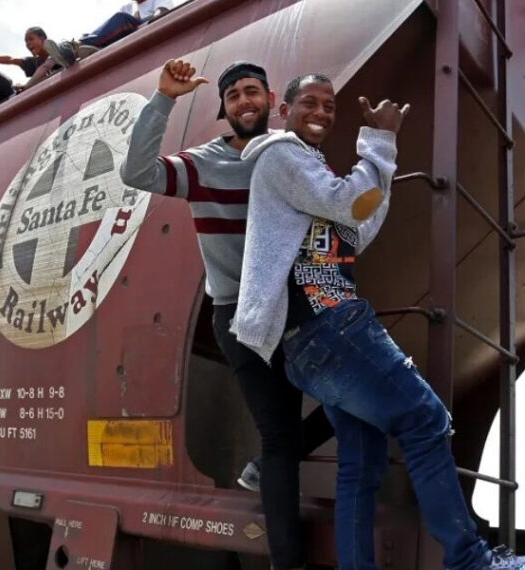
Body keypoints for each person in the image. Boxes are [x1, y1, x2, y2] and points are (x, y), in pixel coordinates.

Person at [233, 73, 525, 570]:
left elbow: (360, 224)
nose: (322, 112)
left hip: (315, 337)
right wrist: (380, 141)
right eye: (310, 102)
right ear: (284, 110)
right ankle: (470, 562)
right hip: (330, 323)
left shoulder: (313, 170)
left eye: (329, 105)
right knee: (425, 419)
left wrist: (379, 161)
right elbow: (351, 201)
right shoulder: (280, 155)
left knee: (361, 463)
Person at [120, 60, 333, 570]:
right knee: (279, 436)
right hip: (239, 315)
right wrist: (164, 99)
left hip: (298, 304)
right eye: (234, 95)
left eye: (252, 91)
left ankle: (263, 466)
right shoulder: (202, 164)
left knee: (359, 401)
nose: (244, 101)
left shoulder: (289, 151)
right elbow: (136, 173)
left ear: (269, 98)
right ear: (225, 108)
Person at [0, 28, 87, 93]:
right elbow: (11, 60)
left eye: (31, 39)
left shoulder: (54, 47)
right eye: (26, 41)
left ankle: (74, 52)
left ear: (42, 38)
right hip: (62, 79)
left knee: (56, 53)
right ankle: (67, 60)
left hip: (66, 50)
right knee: (44, 68)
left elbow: (46, 66)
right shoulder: (33, 63)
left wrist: (27, 86)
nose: (28, 44)